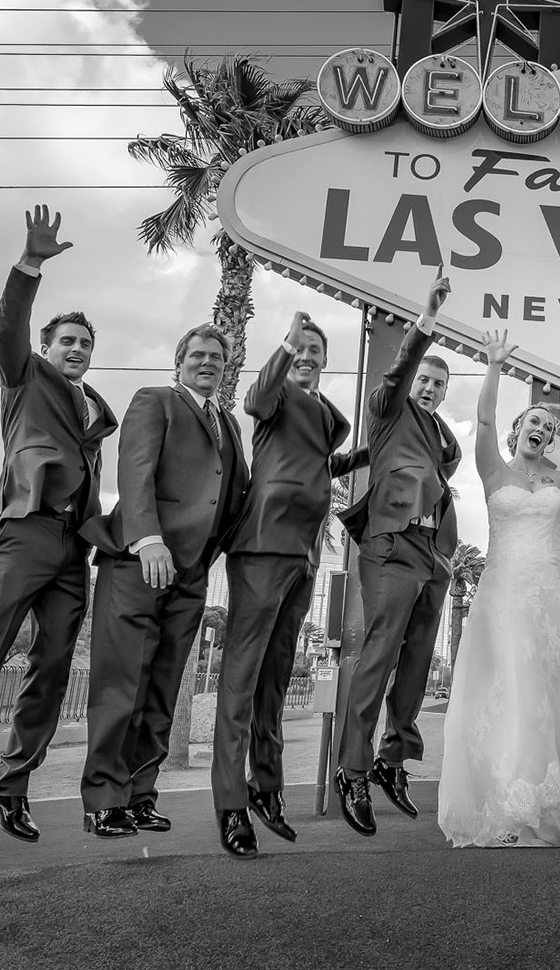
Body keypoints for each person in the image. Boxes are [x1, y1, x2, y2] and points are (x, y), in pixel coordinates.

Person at [0, 204, 117, 869]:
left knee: (55, 668)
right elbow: (7, 326)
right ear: (47, 346)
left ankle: (9, 784)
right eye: (66, 340)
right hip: (21, 534)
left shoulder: (97, 413)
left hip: (73, 552)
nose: (76, 349)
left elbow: (94, 496)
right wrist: (29, 264)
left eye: (85, 344)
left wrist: (124, 539)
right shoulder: (23, 376)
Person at [438, 330, 560, 848]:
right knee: (518, 687)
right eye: (534, 421)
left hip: (556, 591)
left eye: (550, 425)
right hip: (506, 594)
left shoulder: (559, 483)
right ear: (519, 430)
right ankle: (517, 799)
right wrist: (493, 365)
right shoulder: (493, 470)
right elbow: (486, 419)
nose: (541, 427)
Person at [77, 324, 249, 838]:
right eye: (197, 355)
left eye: (217, 357)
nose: (207, 363)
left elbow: (230, 493)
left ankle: (139, 794)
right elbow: (135, 469)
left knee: (163, 686)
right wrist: (147, 538)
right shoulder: (154, 400)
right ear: (179, 362)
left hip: (192, 571)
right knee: (122, 682)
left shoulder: (229, 423)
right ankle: (104, 799)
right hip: (139, 562)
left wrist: (208, 556)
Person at [212, 311, 352, 858]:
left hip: (305, 556)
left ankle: (266, 787)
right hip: (263, 544)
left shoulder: (322, 415)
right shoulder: (271, 400)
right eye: (301, 348)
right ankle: (230, 806)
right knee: (241, 680)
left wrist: (373, 456)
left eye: (316, 349)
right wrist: (285, 342)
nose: (308, 355)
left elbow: (319, 467)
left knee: (274, 678)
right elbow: (253, 398)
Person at [332, 274, 461, 835]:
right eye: (425, 379)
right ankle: (352, 770)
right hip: (390, 544)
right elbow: (401, 370)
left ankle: (391, 759)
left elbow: (442, 468)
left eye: (438, 383)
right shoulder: (388, 407)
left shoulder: (439, 433)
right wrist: (425, 324)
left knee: (415, 664)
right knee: (379, 656)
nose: (428, 387)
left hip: (432, 554)